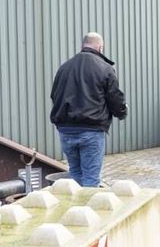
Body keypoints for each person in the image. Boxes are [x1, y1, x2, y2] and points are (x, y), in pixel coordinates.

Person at [49, 32, 128, 186]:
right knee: (91, 179)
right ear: (100, 47)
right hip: (91, 131)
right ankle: (87, 209)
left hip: (66, 131)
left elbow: (54, 95)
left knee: (75, 175)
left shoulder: (64, 67)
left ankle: (76, 208)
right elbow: (115, 98)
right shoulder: (105, 68)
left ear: (82, 46)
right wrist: (122, 112)